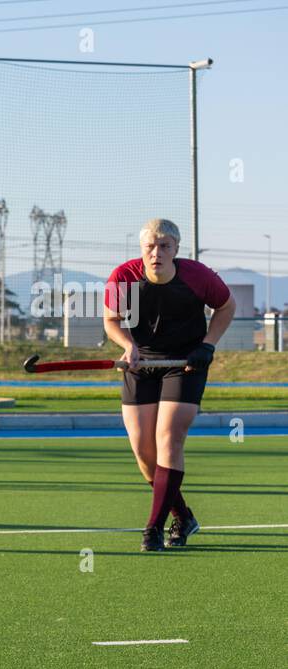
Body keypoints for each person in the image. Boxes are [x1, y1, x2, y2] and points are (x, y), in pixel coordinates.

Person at [103, 218, 233, 552]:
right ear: (141, 249)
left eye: (164, 246)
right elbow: (111, 320)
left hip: (185, 364)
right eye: (150, 246)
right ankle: (184, 515)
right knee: (144, 453)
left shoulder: (197, 276)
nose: (156, 252)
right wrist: (128, 346)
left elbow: (226, 306)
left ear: (176, 249)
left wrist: (208, 345)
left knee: (168, 438)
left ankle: (153, 529)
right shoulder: (124, 276)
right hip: (141, 364)